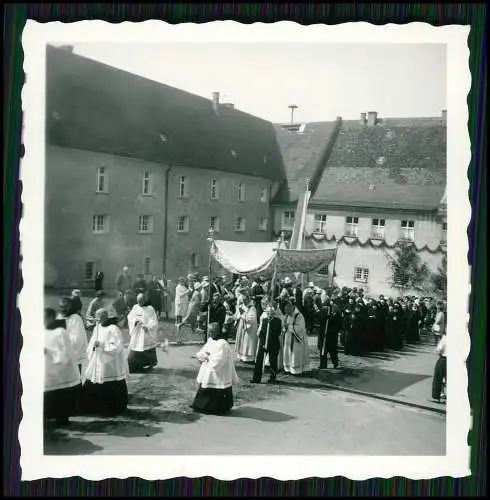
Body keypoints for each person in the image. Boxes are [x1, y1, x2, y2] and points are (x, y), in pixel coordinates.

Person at [81, 308, 129, 416]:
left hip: (110, 363)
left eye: (99, 317)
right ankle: (92, 406)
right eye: (96, 318)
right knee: (93, 381)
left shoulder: (113, 329)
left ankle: (112, 408)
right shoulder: (97, 328)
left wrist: (102, 345)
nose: (97, 320)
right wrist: (93, 347)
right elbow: (91, 344)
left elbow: (117, 345)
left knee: (110, 383)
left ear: (106, 317)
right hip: (97, 360)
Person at [190, 322, 239, 415]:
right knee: (206, 380)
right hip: (209, 367)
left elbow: (219, 360)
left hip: (219, 372)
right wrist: (201, 356)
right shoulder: (211, 340)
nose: (209, 333)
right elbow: (203, 351)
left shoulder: (223, 343)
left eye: (212, 331)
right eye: (209, 331)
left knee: (214, 382)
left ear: (217, 331)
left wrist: (208, 358)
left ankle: (217, 408)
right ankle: (202, 405)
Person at [44, 308, 81, 427]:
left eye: (45, 317)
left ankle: (62, 418)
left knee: (61, 395)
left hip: (62, 369)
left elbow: (66, 351)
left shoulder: (60, 332)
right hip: (47, 368)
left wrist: (53, 356)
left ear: (50, 318)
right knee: (50, 395)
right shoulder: (42, 331)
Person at [251, 299, 283, 384]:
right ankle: (256, 378)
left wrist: (270, 327)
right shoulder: (264, 320)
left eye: (270, 314)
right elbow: (261, 332)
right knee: (259, 360)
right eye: (267, 313)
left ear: (273, 314)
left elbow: (278, 333)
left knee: (273, 361)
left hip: (273, 343)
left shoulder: (278, 321)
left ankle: (272, 378)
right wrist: (262, 343)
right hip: (264, 343)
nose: (268, 315)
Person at [127, 293, 159, 372]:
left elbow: (153, 320)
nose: (139, 303)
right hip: (137, 333)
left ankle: (149, 364)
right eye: (138, 301)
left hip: (146, 333)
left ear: (144, 300)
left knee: (147, 350)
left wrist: (147, 326)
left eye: (141, 301)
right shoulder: (135, 307)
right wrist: (135, 321)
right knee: (134, 351)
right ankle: (135, 365)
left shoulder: (150, 308)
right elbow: (130, 317)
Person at [59, 297, 88, 374]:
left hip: (74, 359)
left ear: (71, 307)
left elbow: (78, 340)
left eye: (66, 307)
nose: (63, 309)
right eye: (61, 307)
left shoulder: (75, 318)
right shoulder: (60, 317)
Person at [282, 298, 309, 375]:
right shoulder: (287, 315)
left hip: (296, 340)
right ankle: (287, 368)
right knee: (287, 352)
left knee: (295, 354)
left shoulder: (299, 316)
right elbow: (284, 326)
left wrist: (289, 327)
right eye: (285, 307)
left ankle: (296, 370)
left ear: (293, 306)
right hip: (288, 338)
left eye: (288, 307)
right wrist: (284, 327)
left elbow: (300, 328)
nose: (286, 309)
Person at [317, 300, 342, 369]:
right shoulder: (323, 312)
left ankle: (335, 363)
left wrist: (331, 318)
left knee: (333, 351)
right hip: (324, 335)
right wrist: (325, 317)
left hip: (332, 336)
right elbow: (320, 321)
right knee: (323, 351)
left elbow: (339, 325)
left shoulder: (337, 315)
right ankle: (323, 365)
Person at [234, 294, 258, 363]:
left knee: (247, 342)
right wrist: (238, 316)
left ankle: (248, 358)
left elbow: (251, 319)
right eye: (243, 300)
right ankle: (241, 356)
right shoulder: (241, 306)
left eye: (245, 300)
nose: (244, 301)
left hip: (249, 328)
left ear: (248, 299)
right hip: (242, 326)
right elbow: (236, 315)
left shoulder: (252, 308)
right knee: (241, 340)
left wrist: (243, 315)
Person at [431, 329, 447, 403]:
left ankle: (436, 396)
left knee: (438, 377)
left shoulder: (445, 338)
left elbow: (439, 349)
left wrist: (439, 353)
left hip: (444, 359)